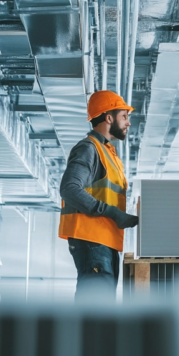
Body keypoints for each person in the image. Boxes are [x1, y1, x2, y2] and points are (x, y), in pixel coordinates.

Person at [58, 90, 139, 299]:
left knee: (102, 309)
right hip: (93, 240)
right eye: (124, 116)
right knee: (95, 309)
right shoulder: (89, 149)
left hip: (104, 241)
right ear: (109, 118)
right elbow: (69, 188)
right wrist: (113, 213)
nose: (128, 122)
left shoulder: (107, 153)